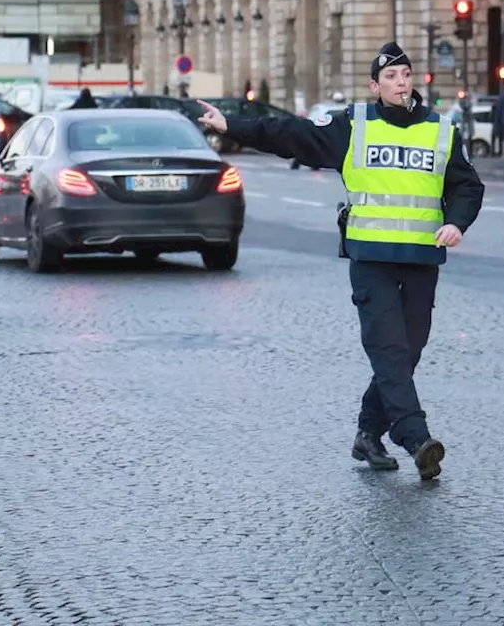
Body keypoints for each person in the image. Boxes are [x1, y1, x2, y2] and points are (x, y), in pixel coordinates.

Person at [194, 41, 485, 481]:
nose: (400, 82)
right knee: (388, 350)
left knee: (408, 352)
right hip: (371, 259)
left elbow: (467, 186)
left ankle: (368, 433)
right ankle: (416, 438)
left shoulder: (442, 130)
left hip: (422, 257)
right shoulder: (355, 124)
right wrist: (232, 124)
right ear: (375, 85)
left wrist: (458, 223)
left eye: (405, 75)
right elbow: (289, 133)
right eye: (390, 77)